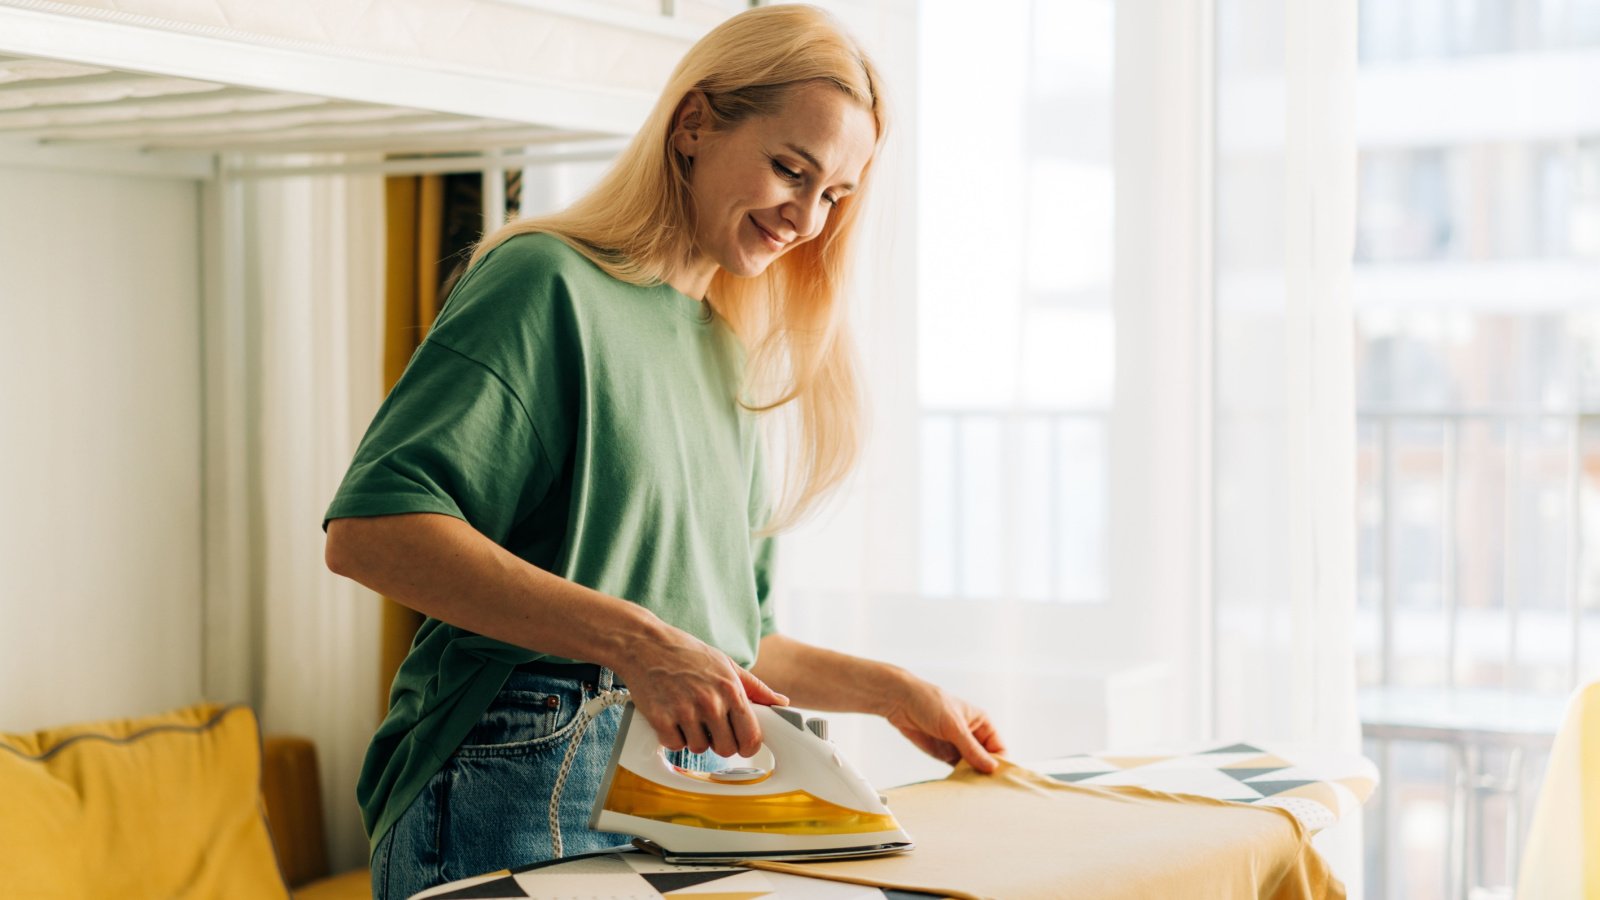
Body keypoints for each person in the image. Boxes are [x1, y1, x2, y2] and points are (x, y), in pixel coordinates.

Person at [322, 6, 1007, 899]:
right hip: (518, 776)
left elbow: (731, 643)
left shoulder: (726, 350)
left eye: (836, 195)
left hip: (676, 792)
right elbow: (372, 530)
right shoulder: (546, 282)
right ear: (694, 126)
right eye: (789, 170)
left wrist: (892, 690)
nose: (806, 217)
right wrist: (640, 644)